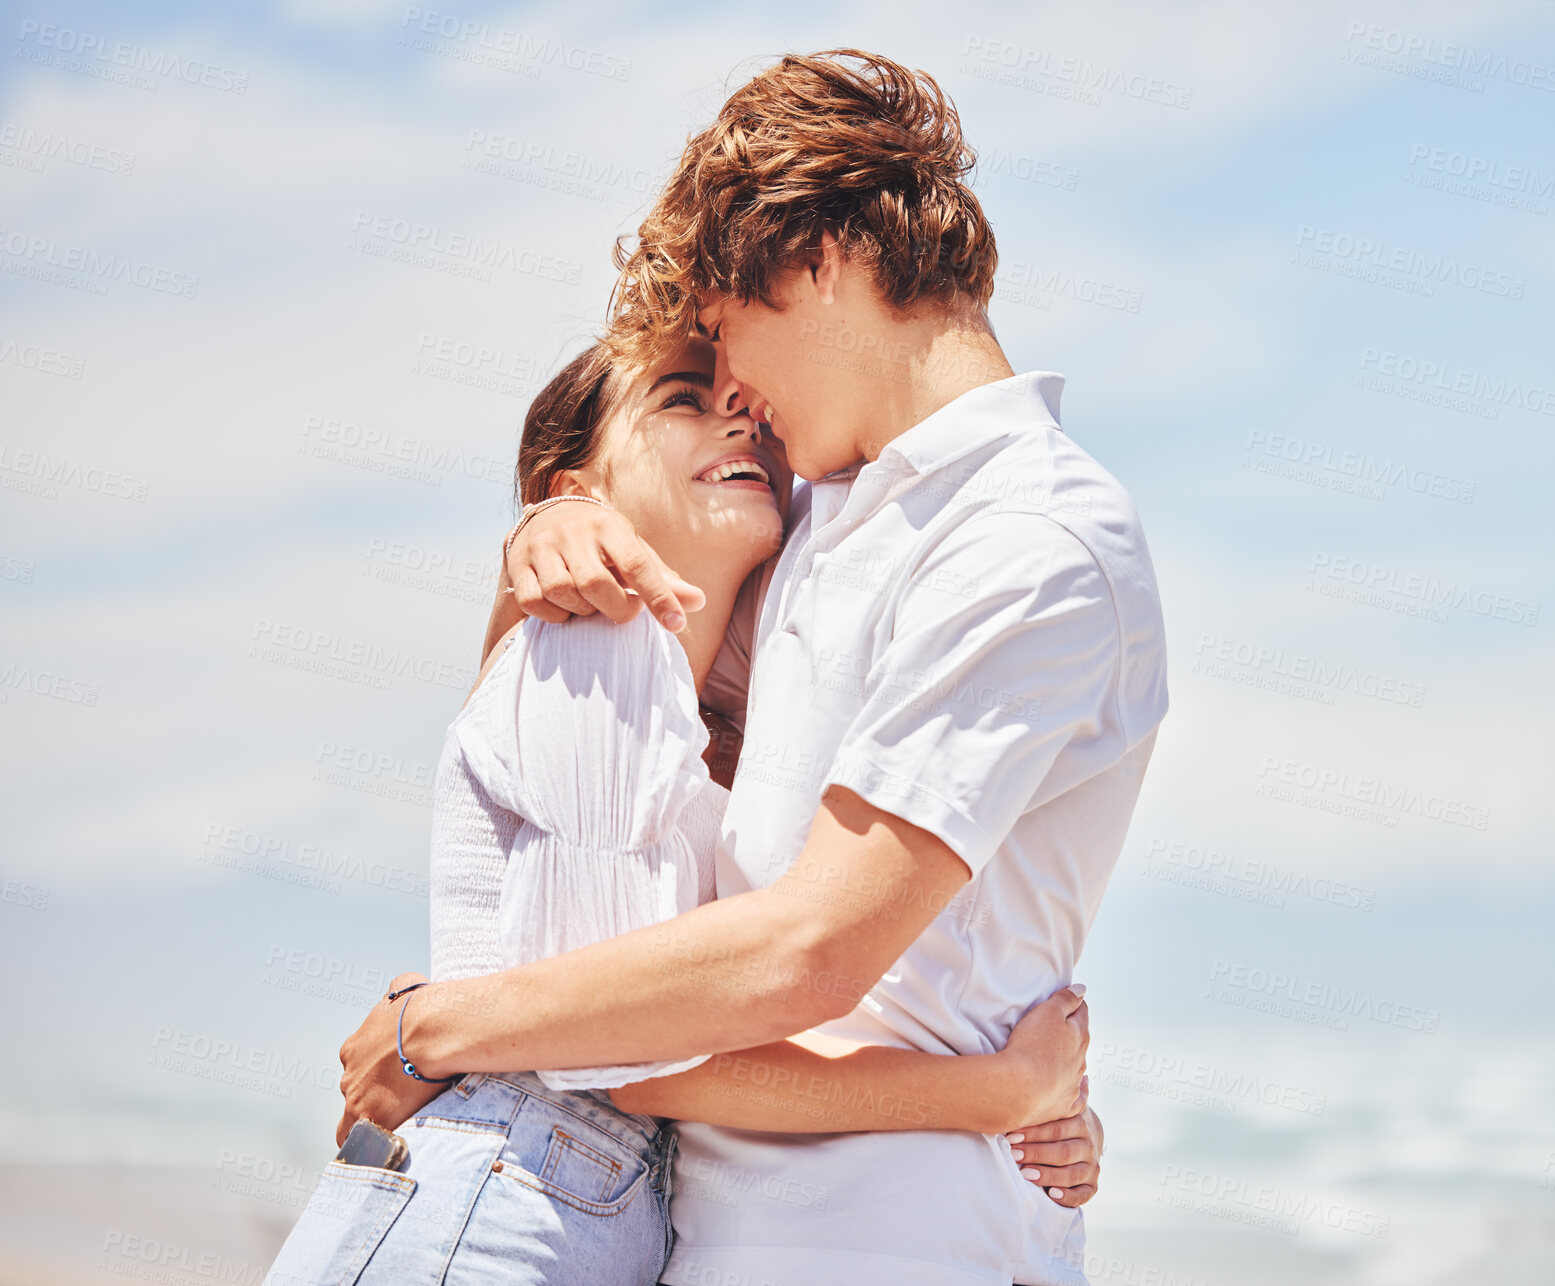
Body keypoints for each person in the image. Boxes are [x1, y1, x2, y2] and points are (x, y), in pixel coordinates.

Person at [336, 49, 1167, 1285]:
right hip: (716, 1229)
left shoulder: (1025, 537)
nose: (737, 392)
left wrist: (448, 1021)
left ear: (818, 260)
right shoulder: (829, 512)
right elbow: (594, 735)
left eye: (727, 331)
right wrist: (536, 542)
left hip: (893, 1241)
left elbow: (807, 952)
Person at [266, 338, 1094, 1286]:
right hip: (504, 1201)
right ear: (575, 483)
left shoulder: (696, 716)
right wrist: (991, 1096)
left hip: (561, 1201)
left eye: (745, 400)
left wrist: (1040, 1113)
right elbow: (620, 1062)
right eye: (683, 400)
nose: (739, 417)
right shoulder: (602, 650)